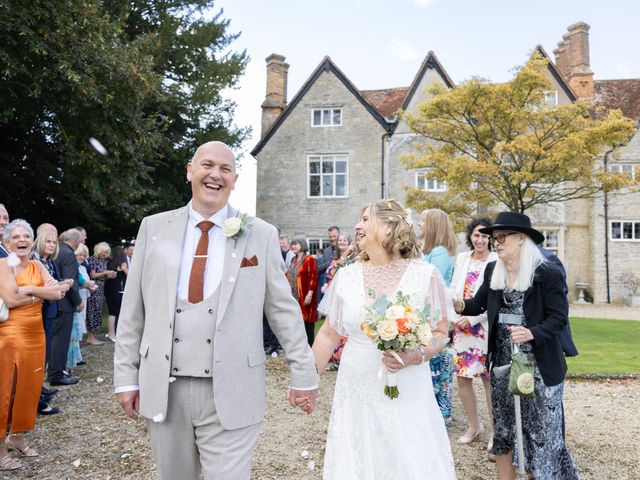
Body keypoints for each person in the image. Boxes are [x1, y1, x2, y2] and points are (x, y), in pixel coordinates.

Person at [113, 141, 318, 480]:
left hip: (235, 387)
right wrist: (124, 377)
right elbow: (133, 309)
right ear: (190, 171)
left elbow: (284, 312)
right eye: (207, 165)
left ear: (235, 179)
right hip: (165, 387)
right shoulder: (154, 228)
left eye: (225, 169)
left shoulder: (260, 234)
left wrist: (304, 374)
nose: (215, 175)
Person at [312, 199, 457, 479]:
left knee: (408, 458)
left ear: (389, 227)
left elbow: (441, 334)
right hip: (356, 386)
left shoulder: (425, 275)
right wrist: (307, 380)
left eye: (366, 219)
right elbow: (330, 333)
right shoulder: (347, 276)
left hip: (408, 385)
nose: (358, 225)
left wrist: (416, 355)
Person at [454, 211, 579, 480]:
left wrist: (531, 333)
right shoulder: (492, 270)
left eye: (501, 238)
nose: (496, 243)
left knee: (541, 433)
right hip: (503, 364)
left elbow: (559, 319)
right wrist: (457, 304)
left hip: (540, 366)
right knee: (505, 429)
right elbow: (478, 305)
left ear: (521, 239)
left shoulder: (547, 273)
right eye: (493, 238)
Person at [0, 220, 65, 471]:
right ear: (7, 243)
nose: (22, 240)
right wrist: (39, 292)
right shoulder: (4, 265)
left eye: (26, 235)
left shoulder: (37, 264)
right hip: (10, 335)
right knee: (7, 389)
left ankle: (17, 435)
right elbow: (11, 300)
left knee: (29, 386)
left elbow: (57, 291)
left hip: (35, 334)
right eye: (15, 237)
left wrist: (26, 288)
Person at [450, 217, 498, 456]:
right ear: (470, 236)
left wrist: (474, 319)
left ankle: (494, 431)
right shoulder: (461, 258)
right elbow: (454, 289)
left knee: (488, 380)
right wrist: (454, 315)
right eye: (476, 235)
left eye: (485, 236)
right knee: (463, 378)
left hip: (484, 326)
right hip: (461, 325)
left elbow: (493, 300)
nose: (480, 240)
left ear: (491, 238)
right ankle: (474, 425)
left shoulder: (495, 260)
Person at [419, 208, 457, 422]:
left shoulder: (440, 253)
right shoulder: (431, 252)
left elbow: (432, 283)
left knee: (437, 361)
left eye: (422, 221)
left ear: (432, 226)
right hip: (428, 316)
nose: (419, 225)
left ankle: (441, 413)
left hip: (434, 317)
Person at [48, 228, 84, 386]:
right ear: (75, 241)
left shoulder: (58, 250)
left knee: (55, 339)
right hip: (64, 303)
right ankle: (57, 374)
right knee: (61, 340)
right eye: (81, 241)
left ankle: (54, 371)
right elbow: (70, 281)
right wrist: (78, 301)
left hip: (55, 301)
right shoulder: (68, 253)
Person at [321, 234, 353, 370]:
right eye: (340, 240)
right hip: (335, 298)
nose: (341, 242)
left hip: (347, 297)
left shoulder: (351, 259)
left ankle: (343, 359)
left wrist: (345, 254)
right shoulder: (334, 258)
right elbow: (330, 274)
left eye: (344, 240)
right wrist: (326, 284)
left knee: (344, 328)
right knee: (333, 327)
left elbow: (338, 274)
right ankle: (335, 358)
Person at [285, 237, 318, 347]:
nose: (293, 246)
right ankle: (300, 347)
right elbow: (288, 274)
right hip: (294, 297)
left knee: (307, 324)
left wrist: (310, 294)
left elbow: (314, 278)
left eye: (296, 244)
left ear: (302, 245)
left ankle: (310, 348)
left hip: (306, 297)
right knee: (297, 324)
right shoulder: (293, 260)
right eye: (292, 244)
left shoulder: (309, 260)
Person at [85, 242, 115, 346]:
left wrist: (109, 275)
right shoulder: (93, 259)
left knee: (97, 312)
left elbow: (101, 275)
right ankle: (90, 337)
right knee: (92, 312)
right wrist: (105, 273)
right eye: (104, 252)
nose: (105, 254)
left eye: (107, 252)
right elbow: (93, 275)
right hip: (93, 289)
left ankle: (92, 336)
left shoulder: (102, 261)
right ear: (99, 250)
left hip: (100, 289)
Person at [104, 245, 128, 341]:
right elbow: (129, 275)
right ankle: (112, 334)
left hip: (109, 288)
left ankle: (111, 333)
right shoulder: (122, 264)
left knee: (112, 311)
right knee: (116, 311)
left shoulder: (109, 263)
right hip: (117, 289)